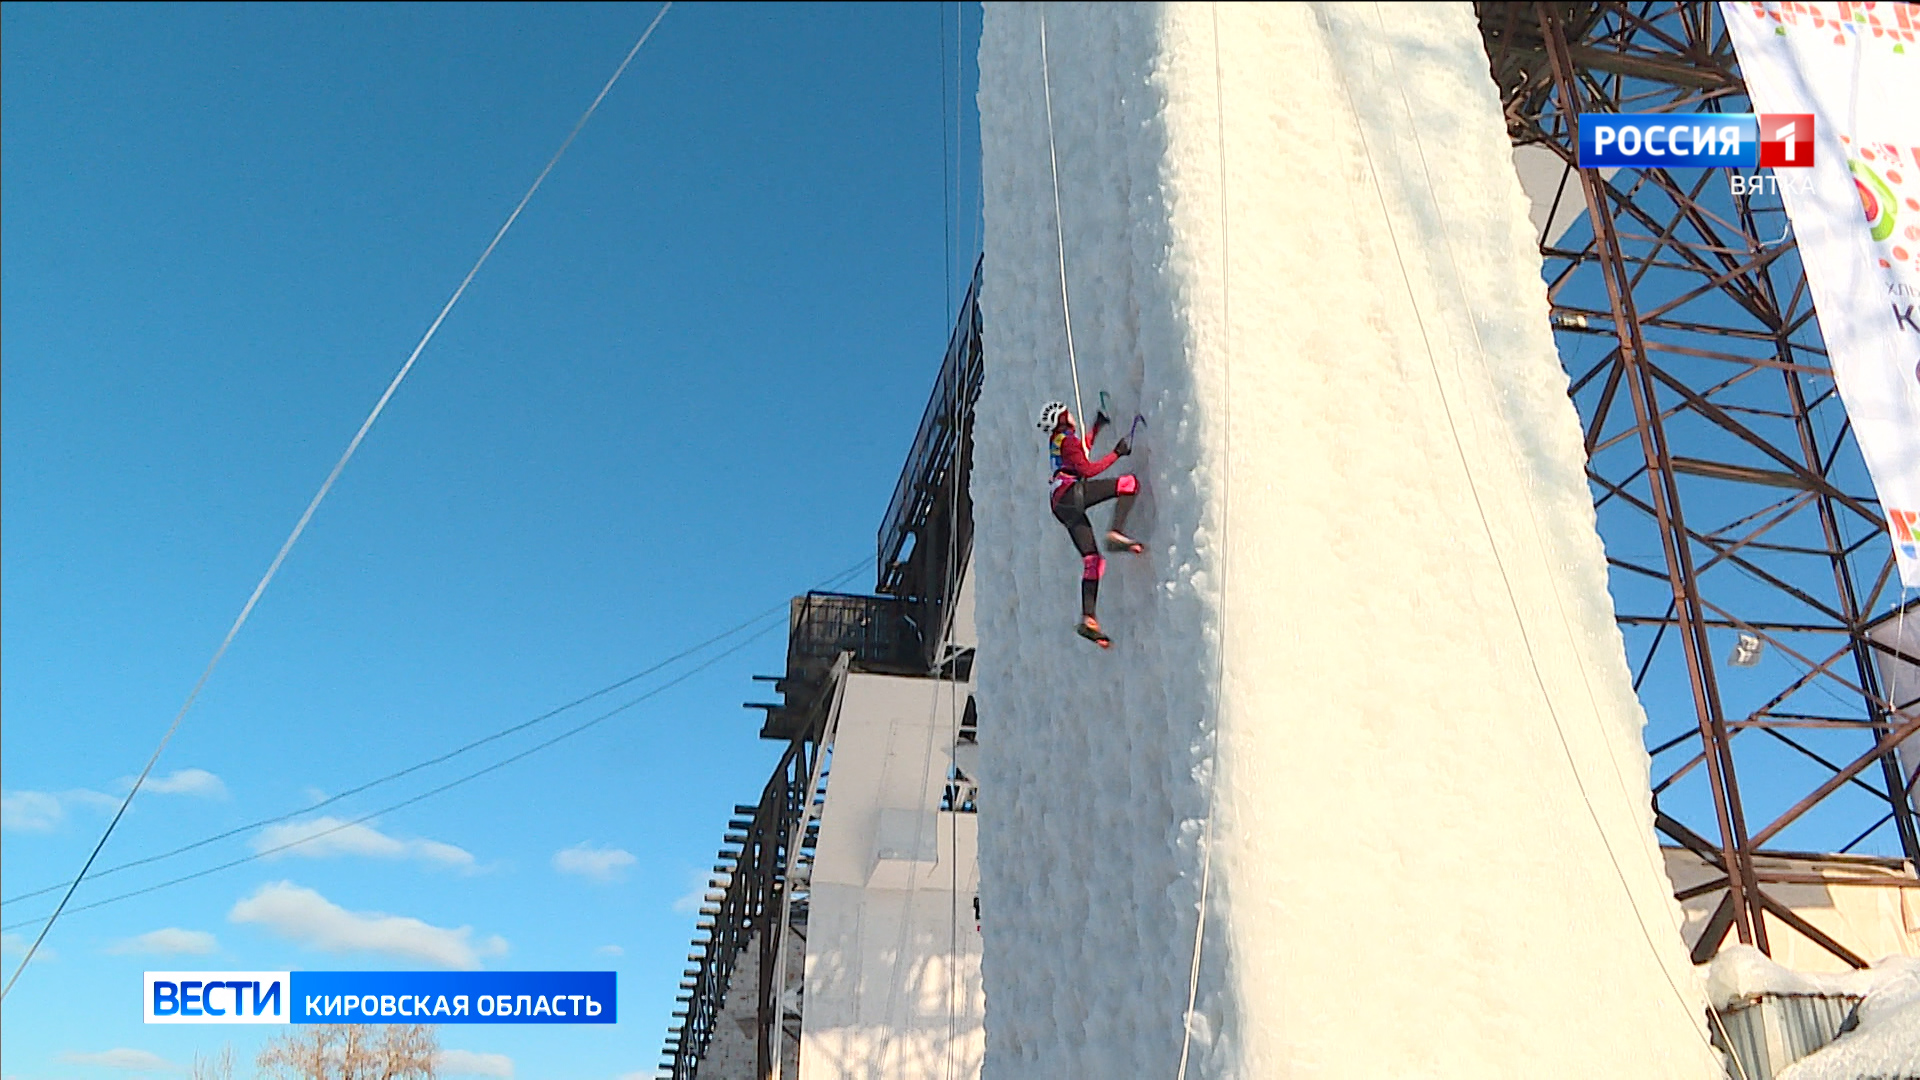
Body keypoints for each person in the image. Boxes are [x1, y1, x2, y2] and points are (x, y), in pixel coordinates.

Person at [1038, 400, 1141, 647]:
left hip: (1060, 505)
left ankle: (1089, 618)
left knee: (1092, 560)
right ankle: (1115, 532)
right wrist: (1117, 453)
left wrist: (1096, 427)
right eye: (1067, 412)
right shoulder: (1067, 438)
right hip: (1071, 494)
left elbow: (1079, 453)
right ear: (1062, 418)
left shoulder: (1058, 441)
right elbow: (1088, 468)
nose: (1072, 414)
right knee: (1129, 484)